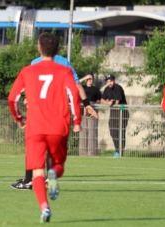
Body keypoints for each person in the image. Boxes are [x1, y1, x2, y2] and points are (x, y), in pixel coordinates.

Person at [8, 32, 81, 222]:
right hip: (58, 126)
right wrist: (77, 121)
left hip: (35, 128)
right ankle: (54, 174)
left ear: (39, 48)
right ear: (57, 51)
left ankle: (45, 208)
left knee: (36, 172)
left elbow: (12, 98)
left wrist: (18, 118)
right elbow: (74, 95)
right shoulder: (64, 71)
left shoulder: (27, 71)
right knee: (58, 166)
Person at [11, 37, 99, 190]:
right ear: (57, 48)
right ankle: (45, 178)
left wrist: (24, 106)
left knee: (33, 146)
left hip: (38, 113)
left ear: (39, 47)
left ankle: (29, 180)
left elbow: (23, 91)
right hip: (58, 112)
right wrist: (86, 104)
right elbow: (76, 84)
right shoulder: (64, 63)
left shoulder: (33, 64)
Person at [101, 74, 129, 158]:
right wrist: (108, 102)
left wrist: (112, 102)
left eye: (111, 81)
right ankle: (117, 150)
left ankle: (120, 151)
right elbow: (102, 100)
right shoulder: (106, 89)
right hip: (113, 112)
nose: (109, 83)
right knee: (112, 131)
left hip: (121, 112)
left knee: (120, 131)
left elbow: (117, 102)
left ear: (114, 80)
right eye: (108, 81)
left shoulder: (118, 88)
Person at [79, 72, 102, 156]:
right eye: (88, 79)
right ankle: (82, 153)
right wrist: (84, 78)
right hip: (83, 113)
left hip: (92, 113)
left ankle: (92, 153)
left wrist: (91, 106)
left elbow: (98, 101)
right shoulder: (82, 87)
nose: (89, 81)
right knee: (83, 132)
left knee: (92, 132)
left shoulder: (96, 90)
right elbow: (75, 84)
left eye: (91, 79)